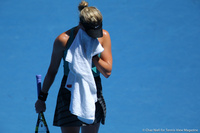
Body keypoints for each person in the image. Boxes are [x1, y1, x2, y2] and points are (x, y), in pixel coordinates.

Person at [35, 1, 112, 133]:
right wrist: (42, 99)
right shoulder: (63, 40)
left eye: (96, 31)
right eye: (91, 32)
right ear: (81, 25)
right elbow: (52, 71)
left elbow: (107, 72)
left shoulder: (103, 36)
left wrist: (92, 55)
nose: (94, 35)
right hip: (68, 91)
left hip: (93, 89)